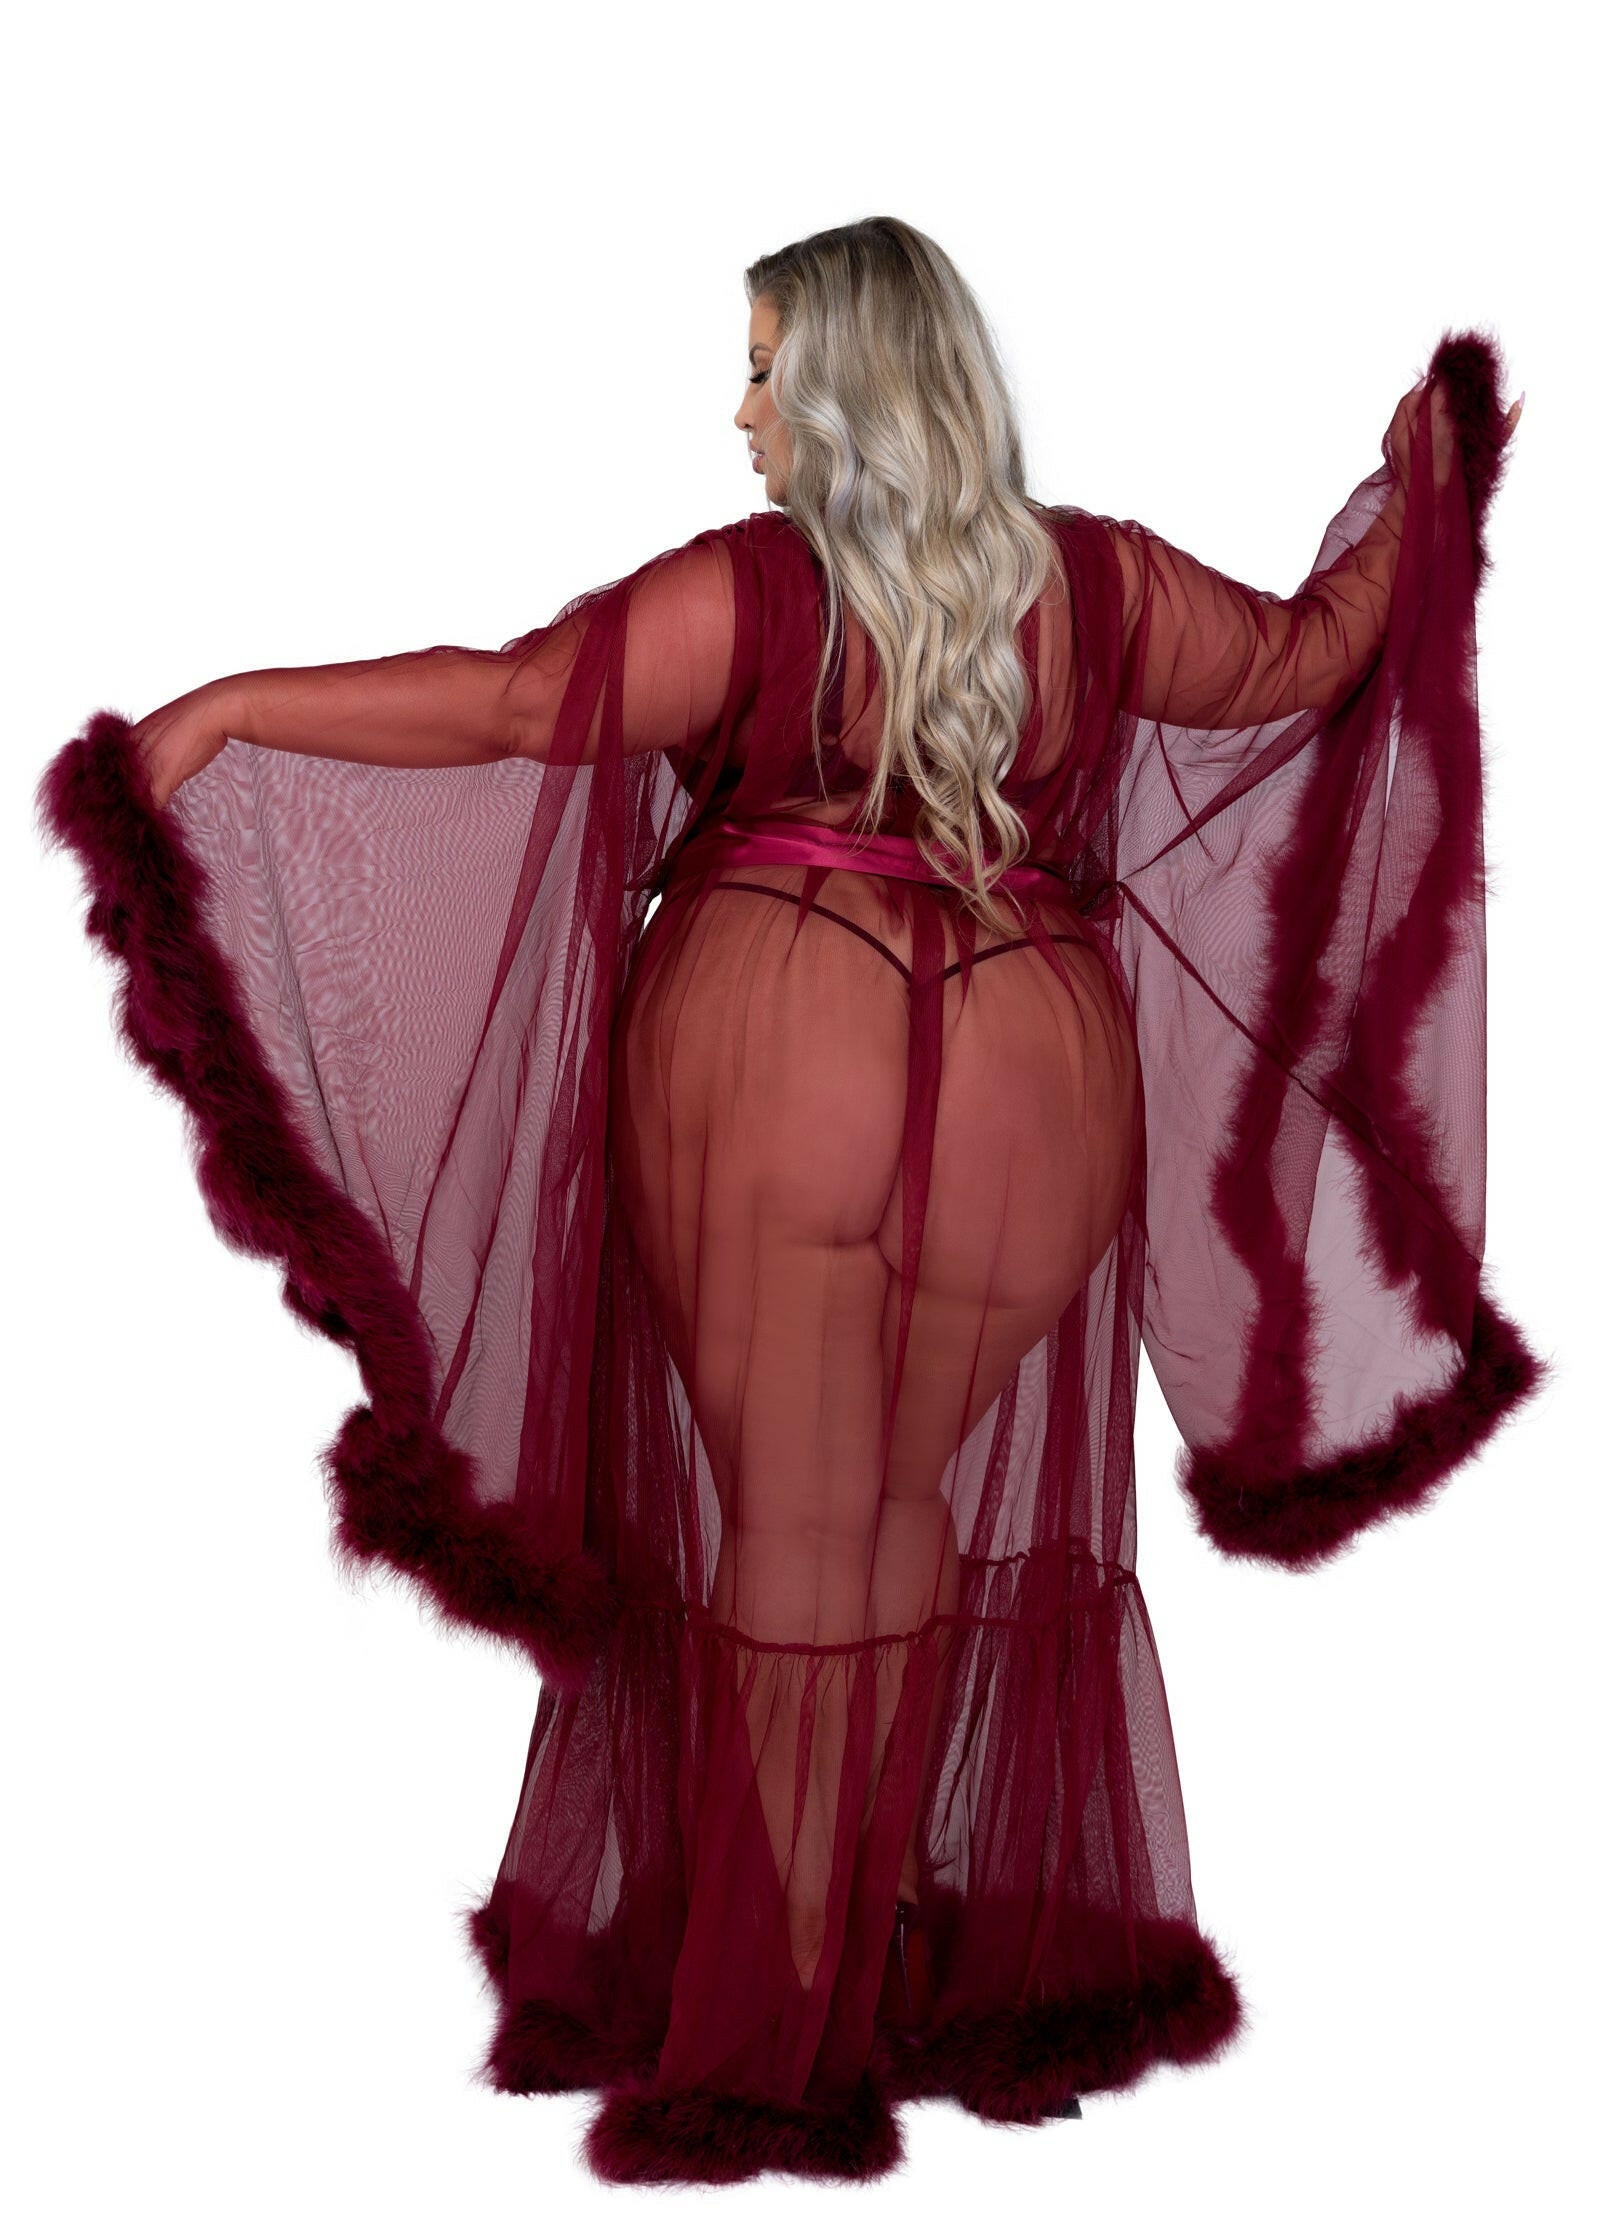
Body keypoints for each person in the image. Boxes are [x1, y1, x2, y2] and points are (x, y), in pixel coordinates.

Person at [37, 217, 1542, 2188]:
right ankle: (863, 1931)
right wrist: (1423, 480)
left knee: (787, 1537)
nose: (739, 410)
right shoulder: (1105, 584)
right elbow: (1316, 652)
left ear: (844, 395)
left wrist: (235, 705)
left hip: (784, 1048)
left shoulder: (751, 595)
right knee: (898, 1506)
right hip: (1039, 1073)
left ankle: (775, 2023)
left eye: (764, 369)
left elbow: (512, 702)